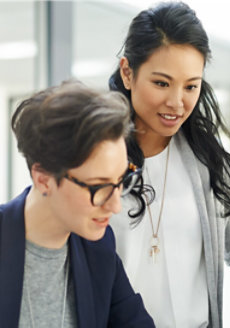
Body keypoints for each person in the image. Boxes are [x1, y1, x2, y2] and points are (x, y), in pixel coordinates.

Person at [108, 1, 230, 327]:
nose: (177, 102)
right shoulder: (94, 159)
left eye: (191, 86)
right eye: (162, 83)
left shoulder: (208, 162)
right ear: (127, 72)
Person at [0, 80, 155, 327]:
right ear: (44, 180)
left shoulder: (99, 248)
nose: (115, 206)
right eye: (99, 186)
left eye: (120, 180)